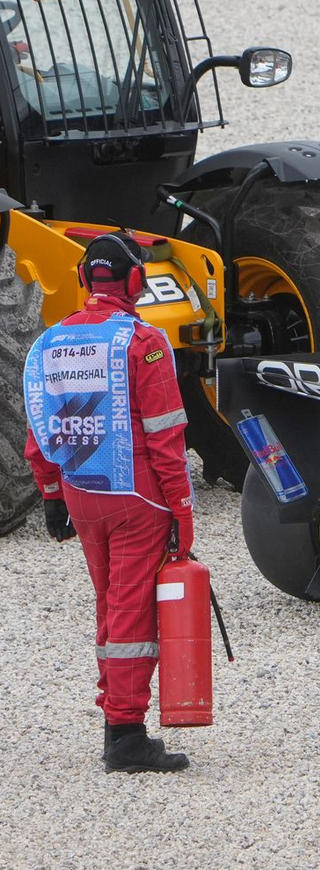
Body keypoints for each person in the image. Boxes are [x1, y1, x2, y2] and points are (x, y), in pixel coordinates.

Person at [23, 232, 195, 772]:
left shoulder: (50, 342)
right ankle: (125, 736)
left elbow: (40, 432)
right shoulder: (144, 342)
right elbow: (166, 437)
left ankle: (114, 716)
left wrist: (52, 496)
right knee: (133, 614)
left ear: (84, 280)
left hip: (81, 495)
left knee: (111, 606)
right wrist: (182, 510)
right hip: (138, 499)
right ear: (136, 281)